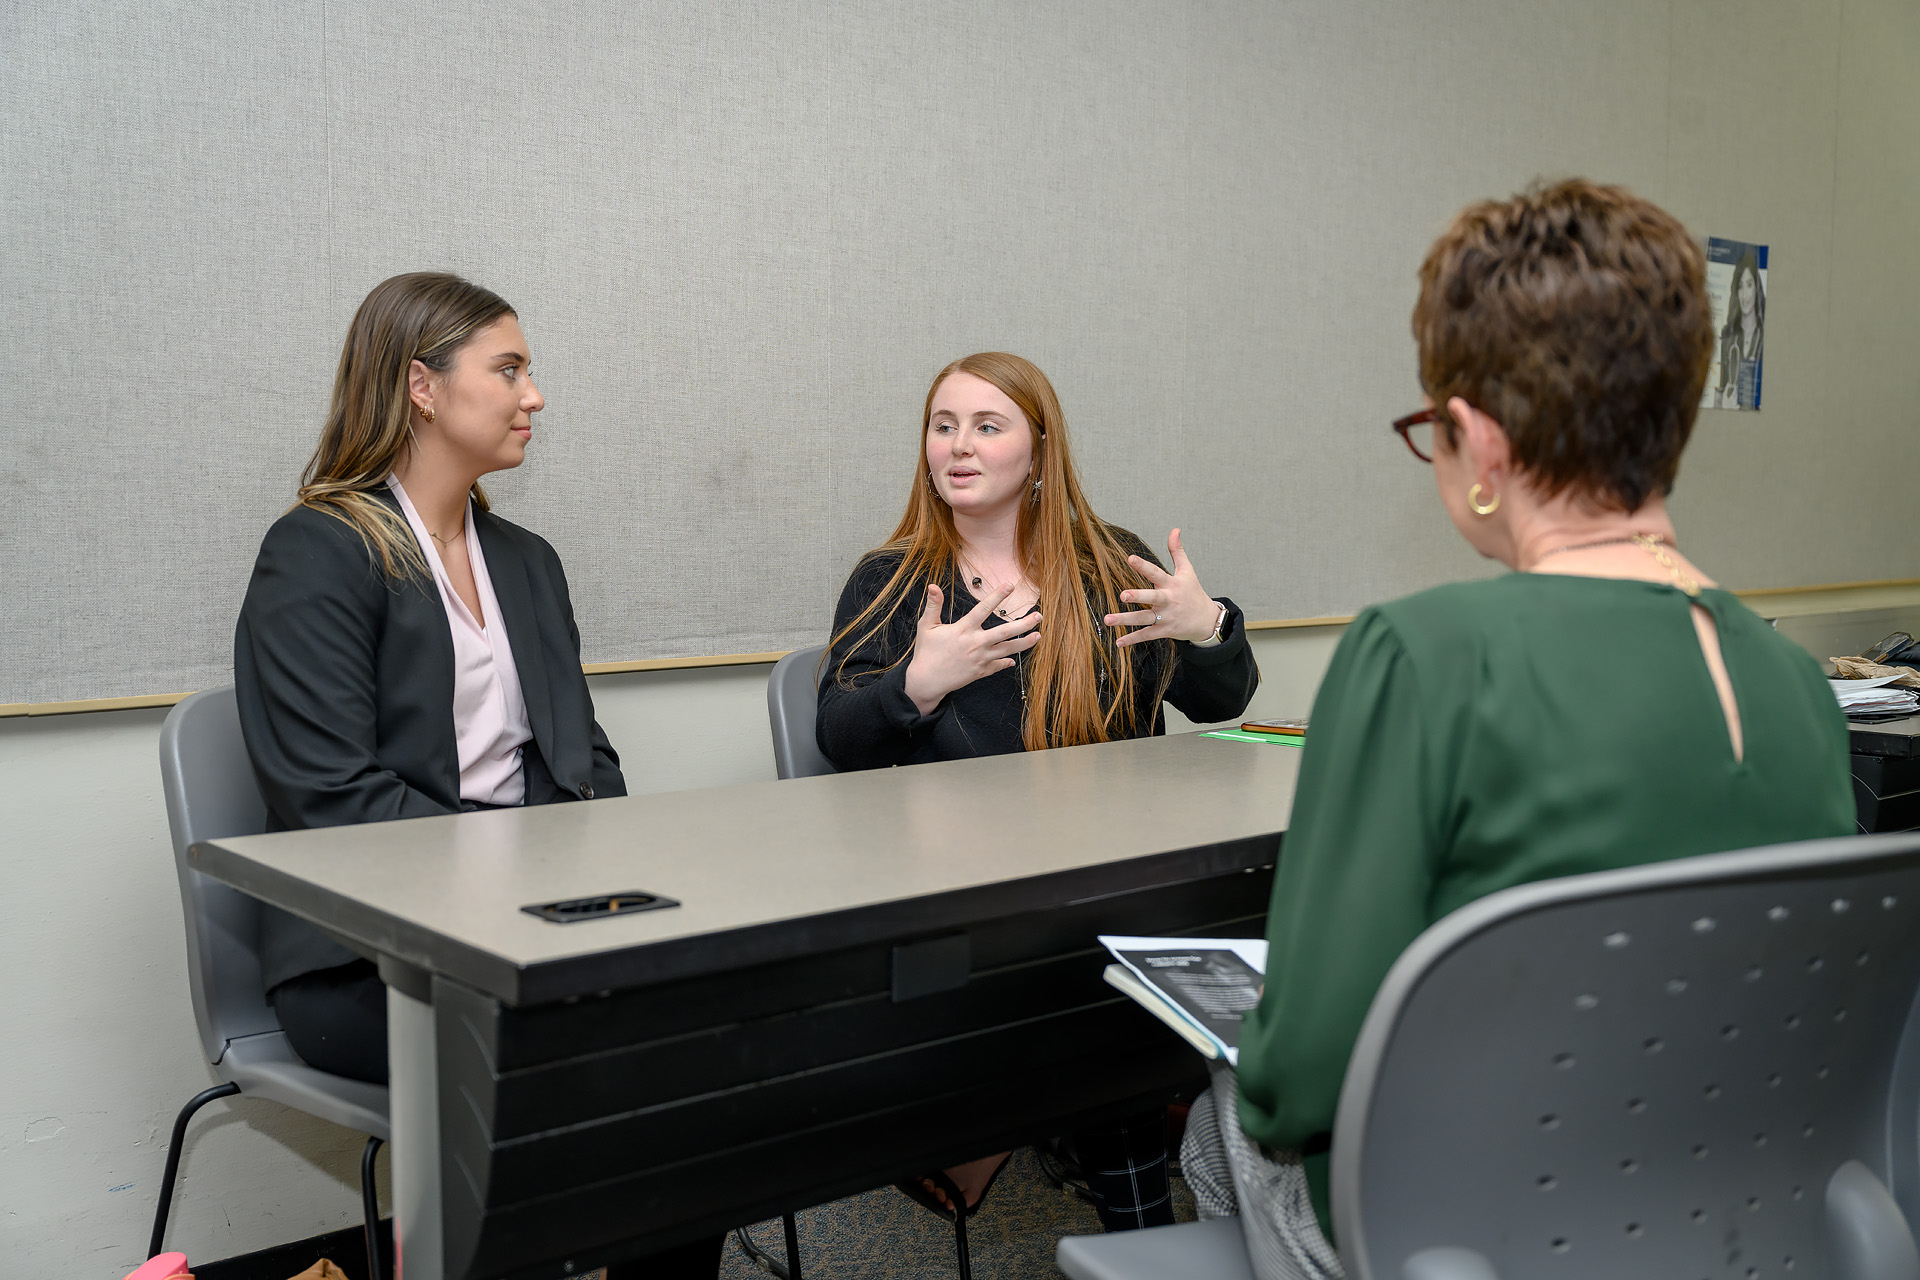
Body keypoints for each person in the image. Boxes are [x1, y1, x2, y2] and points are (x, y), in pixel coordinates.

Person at [1179, 180, 1852, 1280]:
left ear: (1480, 442)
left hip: (1465, 1233)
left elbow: (1307, 1069)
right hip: (1724, 1216)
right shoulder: (1793, 683)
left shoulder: (1420, 653)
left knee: (1221, 1116)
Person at [234, 273, 715, 1278]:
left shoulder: (525, 559)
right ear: (421, 385)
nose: (532, 394)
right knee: (610, 1073)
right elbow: (332, 799)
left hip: (527, 926)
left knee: (696, 1055)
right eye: (509, 368)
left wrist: (597, 890)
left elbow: (587, 763)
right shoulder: (318, 551)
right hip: (368, 958)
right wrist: (525, 891)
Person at [816, 352, 1261, 1245]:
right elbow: (840, 738)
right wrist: (917, 684)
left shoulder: (1107, 565)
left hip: (1112, 876)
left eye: (988, 426)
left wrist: (1206, 629)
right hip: (976, 892)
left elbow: (1225, 705)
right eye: (943, 426)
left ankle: (1010, 1137)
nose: (959, 447)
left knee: (1124, 970)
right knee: (1098, 1001)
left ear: (1040, 448)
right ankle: (1122, 1210)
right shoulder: (894, 581)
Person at [1716, 247, 1766, 409]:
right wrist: (1724, 407)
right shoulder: (1727, 338)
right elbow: (1716, 397)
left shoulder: (1765, 338)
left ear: (1757, 288)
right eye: (1740, 286)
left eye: (1749, 285)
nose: (1745, 295)